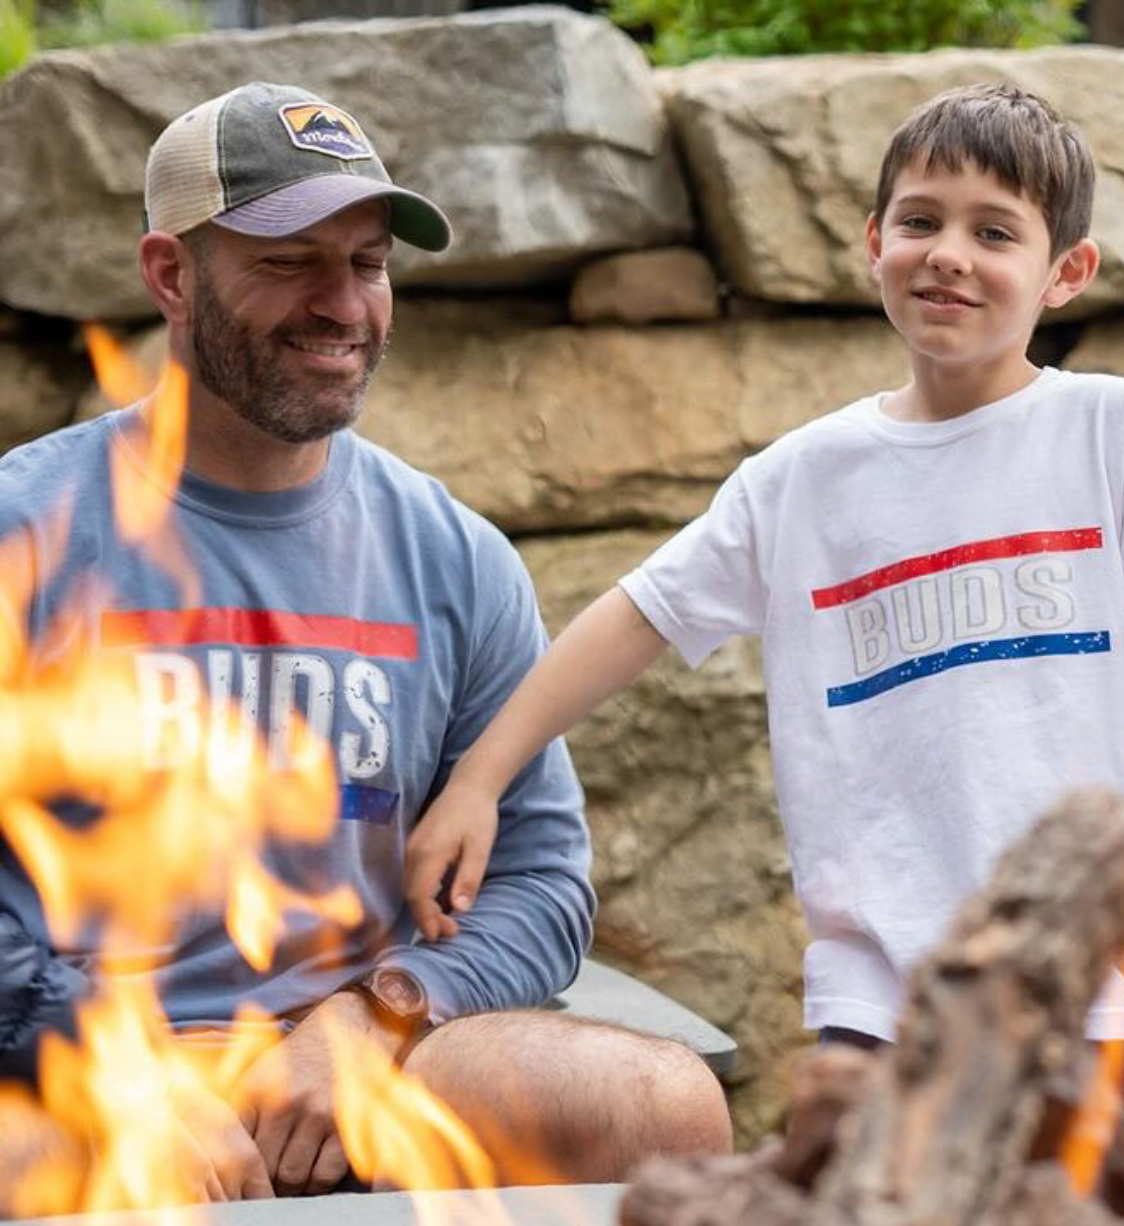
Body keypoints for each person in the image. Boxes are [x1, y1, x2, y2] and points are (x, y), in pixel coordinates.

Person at [0, 81, 732, 1202]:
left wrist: (375, 1015)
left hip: (368, 1056)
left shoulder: (454, 553)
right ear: (169, 276)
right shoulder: (28, 527)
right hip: (78, 1064)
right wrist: (116, 1059)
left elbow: (540, 881)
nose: (342, 304)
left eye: (368, 262)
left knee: (661, 1105)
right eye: (288, 262)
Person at [406, 81, 1124, 1049]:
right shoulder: (797, 482)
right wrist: (479, 776)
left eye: (995, 233)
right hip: (879, 1005)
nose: (947, 253)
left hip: (1094, 991)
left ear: (1065, 271)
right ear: (874, 241)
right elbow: (634, 615)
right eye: (920, 219)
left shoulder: (1099, 435)